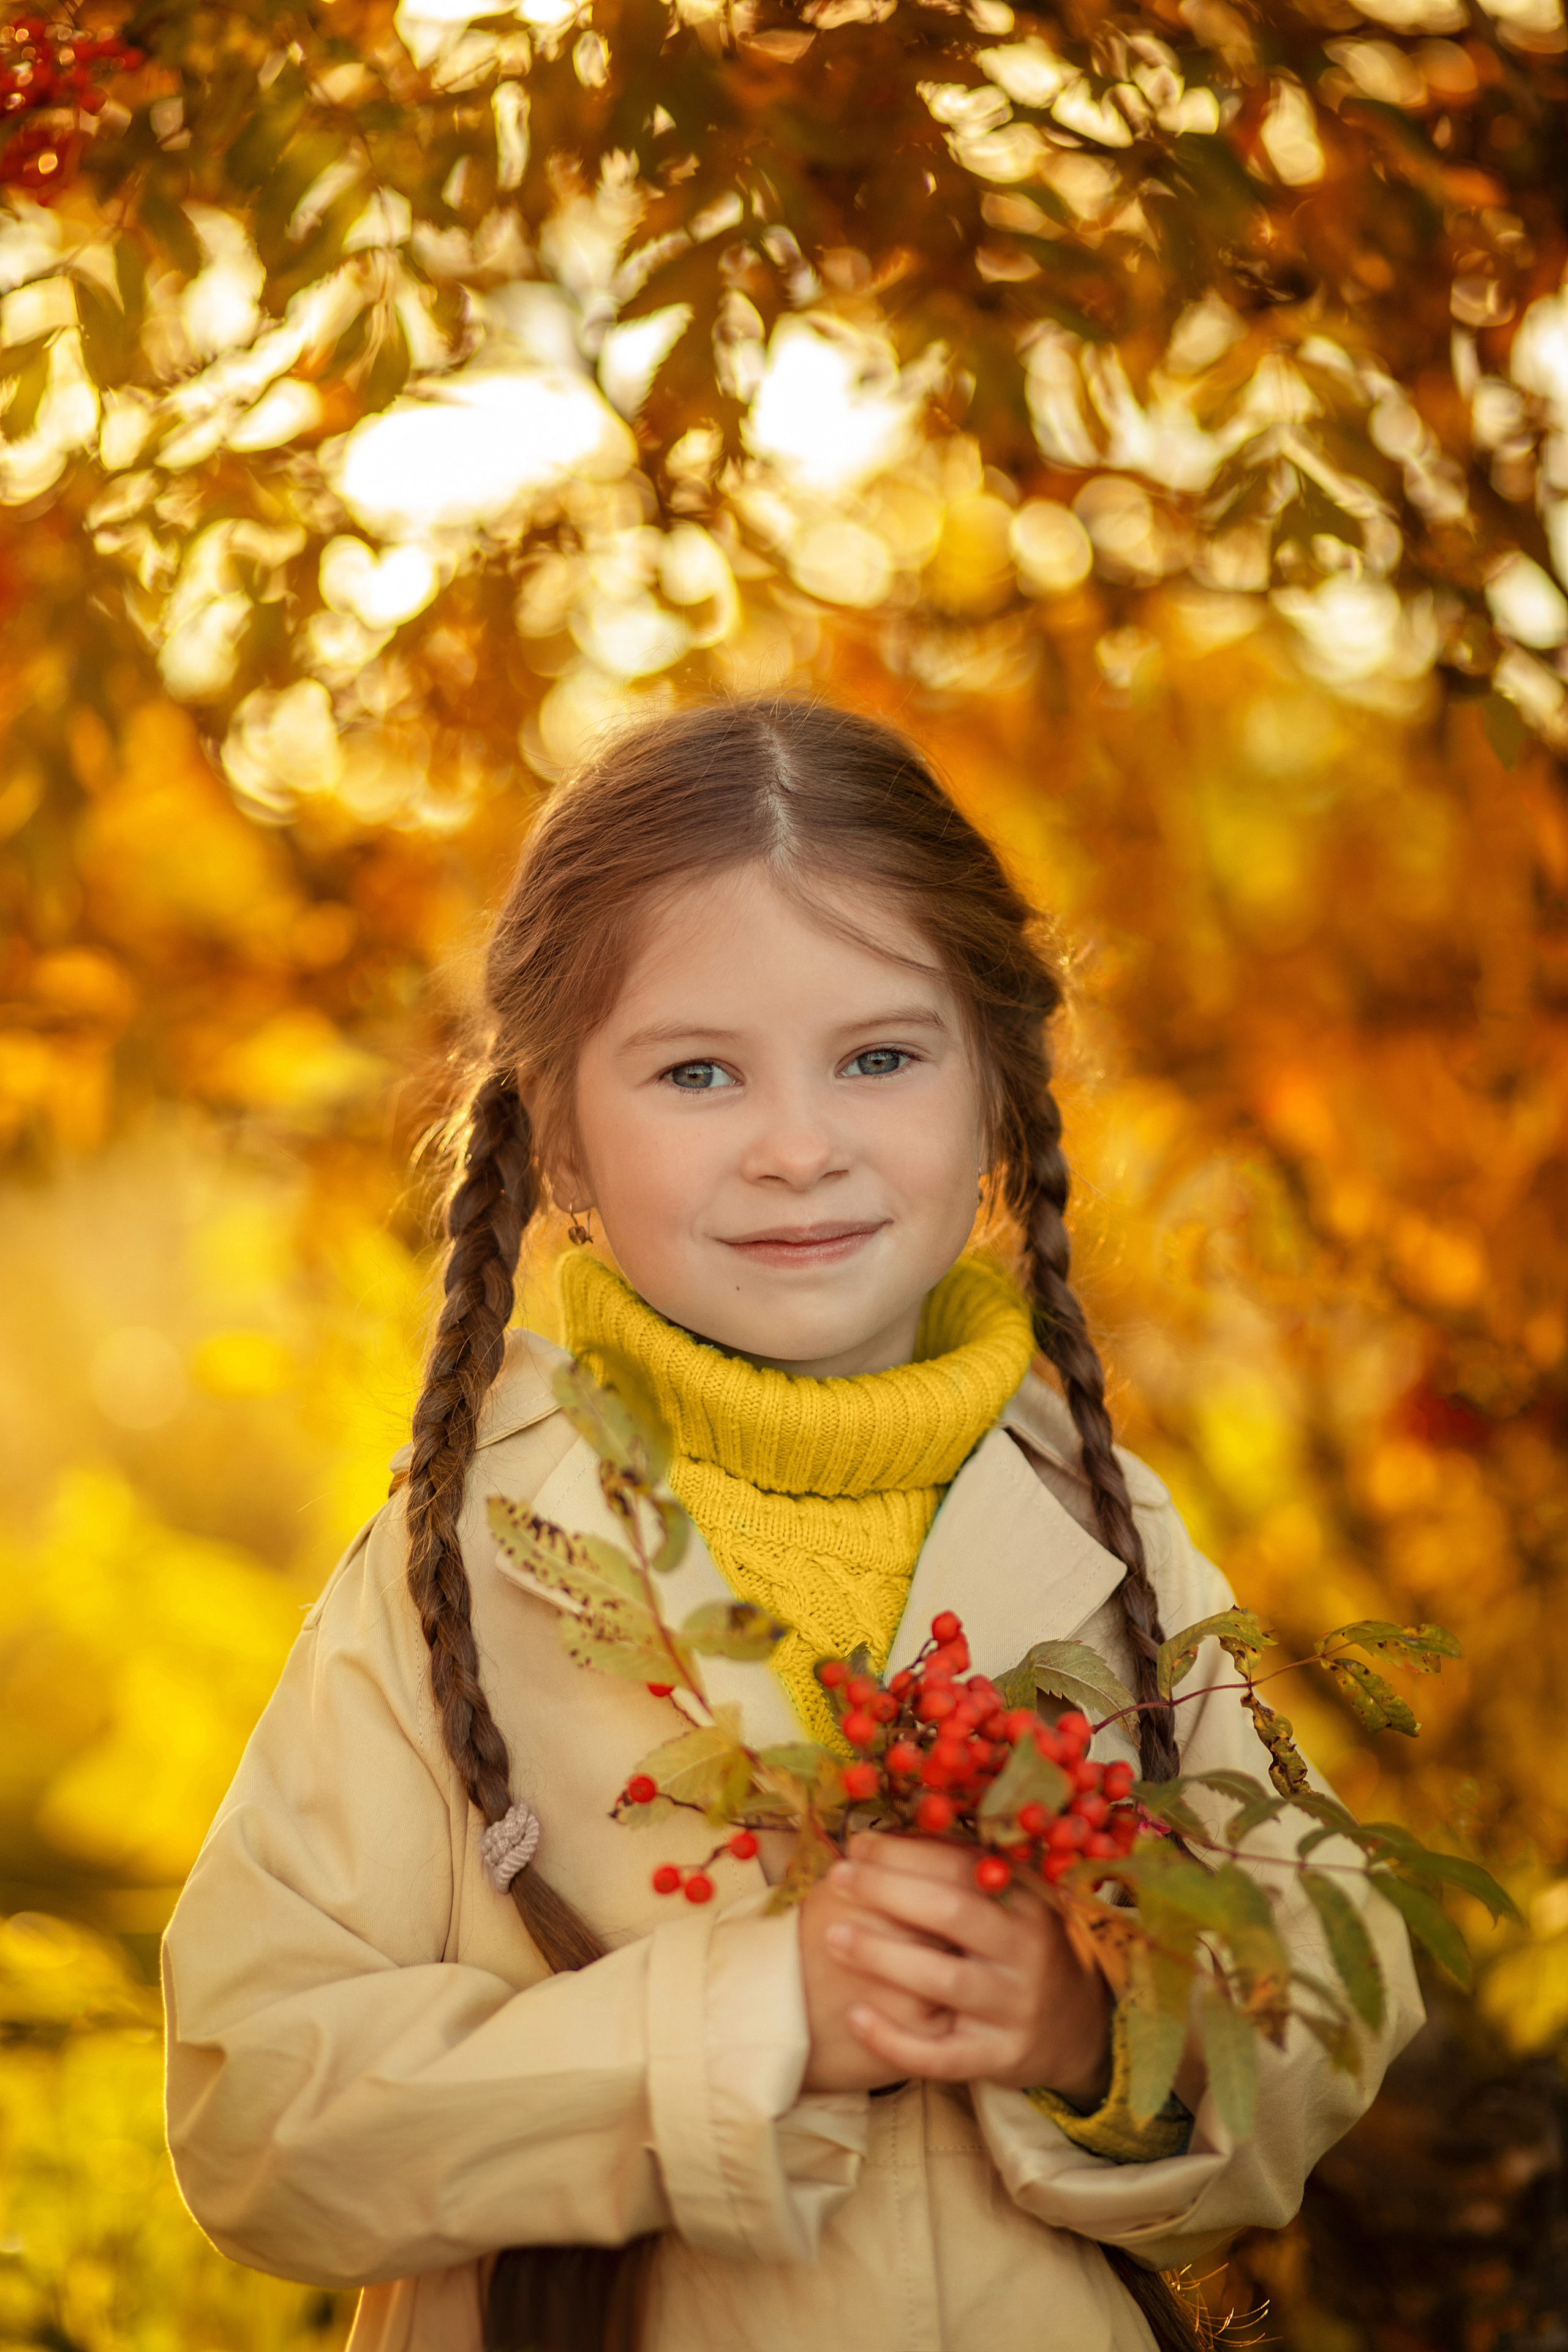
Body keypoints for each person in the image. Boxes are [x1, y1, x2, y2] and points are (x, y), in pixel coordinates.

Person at [163, 697, 1422, 2352]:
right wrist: (752, 2025)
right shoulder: (470, 1551)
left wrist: (1095, 2024)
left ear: (998, 1097)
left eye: (881, 1057)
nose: (800, 1147)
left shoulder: (1097, 1513)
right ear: (560, 1143)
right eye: (698, 1072)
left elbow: (1341, 1982)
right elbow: (261, 2110)